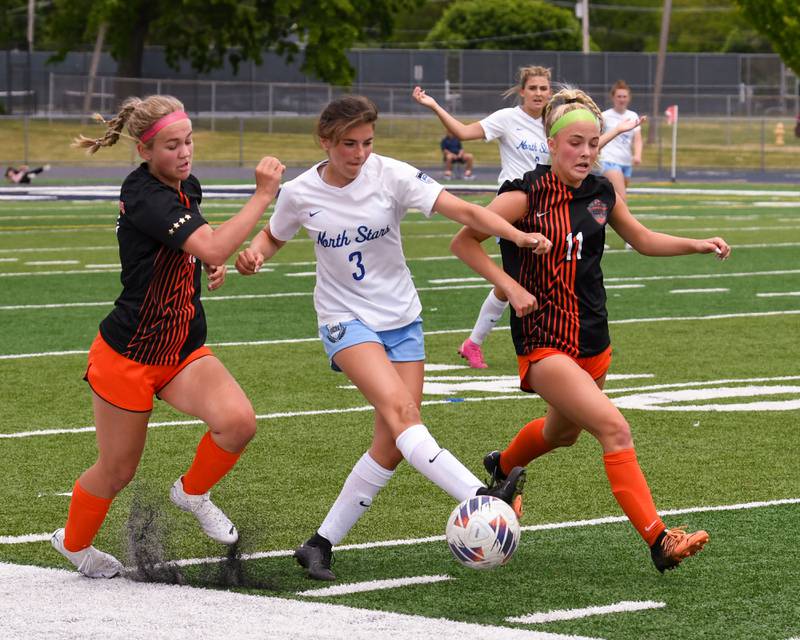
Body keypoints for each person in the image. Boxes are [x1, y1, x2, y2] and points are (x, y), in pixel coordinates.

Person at [235, 95, 549, 581]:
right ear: (325, 142)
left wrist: (518, 235)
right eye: (347, 145)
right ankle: (480, 495)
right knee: (403, 415)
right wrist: (254, 253)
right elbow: (273, 236)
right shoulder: (300, 192)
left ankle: (319, 544)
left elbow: (463, 209)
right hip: (344, 319)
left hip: (402, 317)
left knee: (393, 442)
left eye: (366, 143)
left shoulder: (392, 174)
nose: (359, 154)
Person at [450, 86, 730, 573]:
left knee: (561, 434)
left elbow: (641, 239)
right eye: (575, 142)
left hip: (594, 340)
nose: (585, 152)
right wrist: (510, 288)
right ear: (551, 143)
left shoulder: (601, 191)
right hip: (544, 342)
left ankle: (502, 466)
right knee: (614, 429)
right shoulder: (522, 196)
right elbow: (464, 242)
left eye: (593, 143)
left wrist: (696, 244)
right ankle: (659, 539)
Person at [50, 95, 285, 578]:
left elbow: (202, 239)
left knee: (238, 422)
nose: (185, 153)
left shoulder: (183, 185)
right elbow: (211, 239)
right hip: (129, 355)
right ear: (144, 151)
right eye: (172, 145)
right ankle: (74, 545)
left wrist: (211, 259)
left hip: (180, 347)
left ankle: (192, 492)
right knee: (117, 471)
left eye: (189, 141)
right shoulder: (145, 196)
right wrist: (261, 197)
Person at [414, 68, 643, 369]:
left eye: (544, 87)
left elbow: (584, 145)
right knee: (517, 282)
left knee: (526, 280)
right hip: (516, 208)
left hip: (553, 202)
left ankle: (480, 343)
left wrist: (617, 131)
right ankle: (528, 350)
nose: (538, 93)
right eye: (532, 87)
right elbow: (463, 132)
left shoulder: (555, 123)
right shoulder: (507, 119)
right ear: (521, 91)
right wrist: (435, 106)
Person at [600, 80, 643, 202]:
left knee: (614, 199)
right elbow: (596, 136)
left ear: (629, 98)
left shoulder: (633, 115)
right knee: (621, 199)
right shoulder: (605, 116)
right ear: (613, 98)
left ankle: (596, 213)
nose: (622, 99)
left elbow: (638, 139)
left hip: (626, 162)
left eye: (624, 96)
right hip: (609, 160)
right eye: (619, 96)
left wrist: (637, 155)